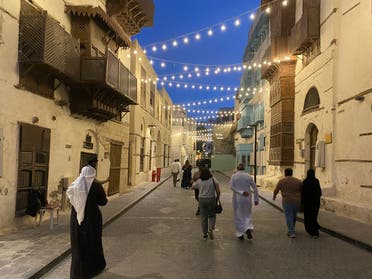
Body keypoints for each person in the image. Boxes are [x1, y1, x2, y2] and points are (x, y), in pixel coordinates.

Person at [67, 155, 109, 278]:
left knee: (78, 245)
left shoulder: (75, 185)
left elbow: (71, 198)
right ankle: (93, 269)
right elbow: (103, 202)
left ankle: (77, 272)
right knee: (93, 243)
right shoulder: (96, 186)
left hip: (76, 220)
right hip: (92, 220)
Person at [230, 163, 259, 240]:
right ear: (244, 168)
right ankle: (248, 227)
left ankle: (240, 233)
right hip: (248, 198)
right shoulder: (248, 176)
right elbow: (255, 188)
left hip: (237, 198)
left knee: (238, 215)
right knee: (247, 214)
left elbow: (231, 187)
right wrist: (256, 199)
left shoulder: (234, 176)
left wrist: (241, 192)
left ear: (237, 168)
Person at [191, 167, 220, 240]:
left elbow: (193, 187)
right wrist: (217, 199)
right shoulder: (213, 179)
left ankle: (205, 234)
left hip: (202, 199)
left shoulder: (200, 180)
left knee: (204, 217)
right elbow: (218, 190)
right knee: (212, 215)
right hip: (211, 199)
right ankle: (210, 228)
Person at [273, 168, 302, 238]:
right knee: (294, 215)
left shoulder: (281, 181)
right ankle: (292, 229)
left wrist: (274, 196)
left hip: (287, 201)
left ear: (285, 173)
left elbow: (276, 190)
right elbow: (302, 190)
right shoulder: (298, 181)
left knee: (288, 215)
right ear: (292, 173)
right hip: (297, 201)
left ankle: (292, 232)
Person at [302, 169, 322, 238]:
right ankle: (315, 230)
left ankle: (312, 231)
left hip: (307, 203)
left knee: (308, 217)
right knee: (314, 216)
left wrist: (302, 202)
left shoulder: (305, 181)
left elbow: (303, 193)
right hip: (315, 203)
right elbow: (319, 192)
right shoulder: (316, 181)